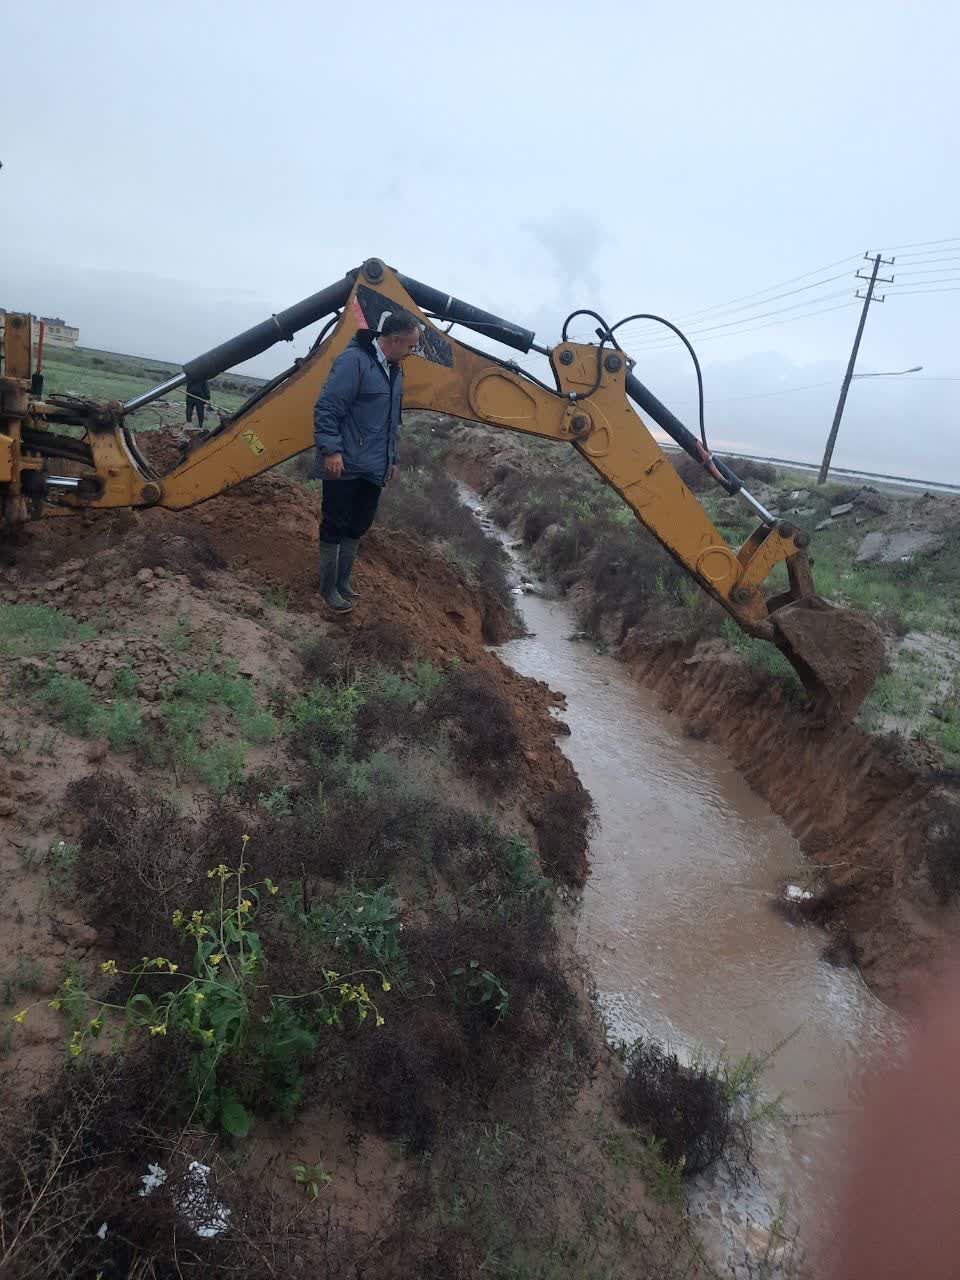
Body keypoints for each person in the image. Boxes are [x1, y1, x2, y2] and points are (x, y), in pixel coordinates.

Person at [312, 309, 420, 612]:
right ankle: (328, 589)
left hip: (374, 465)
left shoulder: (395, 370)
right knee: (335, 523)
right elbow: (328, 408)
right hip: (344, 463)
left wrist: (392, 459)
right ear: (396, 340)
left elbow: (390, 421)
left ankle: (343, 582)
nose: (412, 353)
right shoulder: (354, 361)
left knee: (359, 524)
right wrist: (331, 451)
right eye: (411, 346)